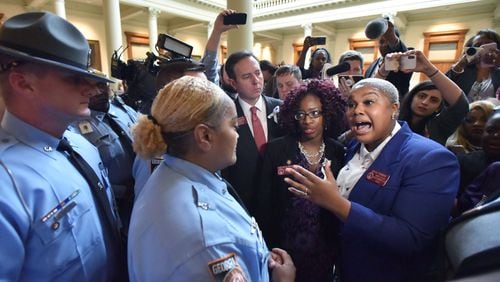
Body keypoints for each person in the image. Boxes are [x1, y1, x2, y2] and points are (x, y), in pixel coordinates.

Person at [283, 78, 459, 282]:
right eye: (351, 104)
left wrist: (335, 202)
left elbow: (411, 239)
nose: (356, 110)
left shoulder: (431, 159)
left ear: (394, 108)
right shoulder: (352, 148)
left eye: (368, 102)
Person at [128, 76, 295, 281]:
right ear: (205, 136)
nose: (238, 134)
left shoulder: (170, 173)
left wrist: (253, 258)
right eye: (233, 125)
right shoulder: (208, 242)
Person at [0, 12, 126, 280]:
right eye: (73, 79)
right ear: (23, 83)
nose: (92, 90)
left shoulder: (80, 144)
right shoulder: (7, 186)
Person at [256, 79, 346, 282]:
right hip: (284, 250)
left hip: (325, 248)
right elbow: (263, 204)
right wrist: (267, 248)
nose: (307, 121)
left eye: (315, 113)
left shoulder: (338, 152)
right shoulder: (276, 149)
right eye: (301, 114)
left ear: (327, 114)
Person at [69, 80, 138, 232]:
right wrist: (123, 192)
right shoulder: (74, 128)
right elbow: (85, 175)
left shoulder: (124, 111)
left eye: (101, 85)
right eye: (90, 87)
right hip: (120, 204)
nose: (98, 92)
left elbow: (153, 146)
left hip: (147, 188)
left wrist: (153, 172)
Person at [221, 50, 284, 214]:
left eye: (258, 73)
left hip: (281, 203)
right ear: (233, 83)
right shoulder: (224, 117)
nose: (256, 81)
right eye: (247, 77)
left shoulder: (283, 109)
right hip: (244, 206)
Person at [395, 50, 469, 145]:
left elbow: (461, 105)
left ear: (438, 107)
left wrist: (428, 69)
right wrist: (383, 70)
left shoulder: (439, 126)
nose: (425, 102)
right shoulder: (393, 119)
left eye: (433, 100)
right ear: (412, 97)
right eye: (421, 96)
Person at [364, 17, 413, 99]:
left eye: (388, 41)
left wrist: (391, 36)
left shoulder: (404, 59)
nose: (385, 45)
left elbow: (403, 53)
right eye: (382, 42)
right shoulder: (372, 66)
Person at [446, 29, 500, 102]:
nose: (482, 48)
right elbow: (441, 86)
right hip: (461, 112)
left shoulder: (498, 72)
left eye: (487, 45)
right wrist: (460, 64)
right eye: (477, 45)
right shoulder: (462, 69)